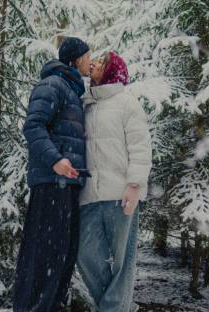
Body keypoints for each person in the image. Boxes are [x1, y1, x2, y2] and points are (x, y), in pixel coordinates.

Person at [13, 37, 92, 312]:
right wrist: (56, 160)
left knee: (63, 254)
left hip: (67, 183)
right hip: (51, 183)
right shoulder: (53, 85)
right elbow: (33, 127)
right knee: (45, 253)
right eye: (87, 56)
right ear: (74, 59)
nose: (90, 61)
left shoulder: (72, 90)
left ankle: (49, 305)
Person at [77, 51, 153, 312]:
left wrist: (134, 186)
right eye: (94, 60)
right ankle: (120, 308)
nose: (94, 63)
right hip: (88, 195)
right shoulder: (85, 104)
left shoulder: (127, 103)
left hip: (121, 194)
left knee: (123, 261)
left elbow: (140, 148)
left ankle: (112, 309)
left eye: (101, 62)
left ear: (111, 71)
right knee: (84, 255)